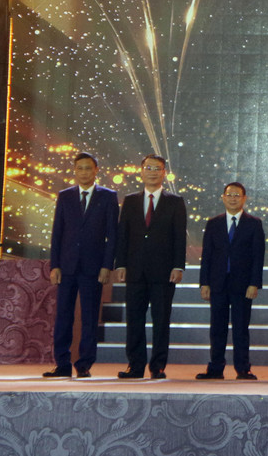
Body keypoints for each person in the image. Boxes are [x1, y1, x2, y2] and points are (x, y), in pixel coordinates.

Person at [43, 152, 119, 378]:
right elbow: (57, 233)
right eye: (80, 168)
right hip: (66, 266)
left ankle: (84, 364)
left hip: (93, 267)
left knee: (89, 317)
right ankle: (62, 363)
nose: (84, 172)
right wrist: (55, 265)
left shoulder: (108, 196)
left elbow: (112, 235)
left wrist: (107, 266)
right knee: (63, 316)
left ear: (96, 170)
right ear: (74, 171)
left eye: (88, 168)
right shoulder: (65, 196)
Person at [114, 154, 187, 380]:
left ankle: (158, 366)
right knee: (134, 319)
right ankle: (135, 366)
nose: (153, 172)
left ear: (164, 172)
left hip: (163, 271)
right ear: (141, 171)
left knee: (161, 319)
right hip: (135, 269)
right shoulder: (130, 200)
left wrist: (178, 266)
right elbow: (123, 235)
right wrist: (121, 263)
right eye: (149, 168)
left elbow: (179, 237)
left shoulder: (175, 202)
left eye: (157, 168)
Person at [196, 182, 265, 381]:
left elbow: (257, 256)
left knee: (241, 327)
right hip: (217, 283)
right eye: (229, 195)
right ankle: (215, 368)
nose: (233, 198)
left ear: (244, 198)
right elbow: (207, 255)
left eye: (237, 195)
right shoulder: (213, 223)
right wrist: (204, 283)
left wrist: (254, 283)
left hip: (243, 285)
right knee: (217, 327)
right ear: (223, 197)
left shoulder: (254, 223)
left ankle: (243, 368)